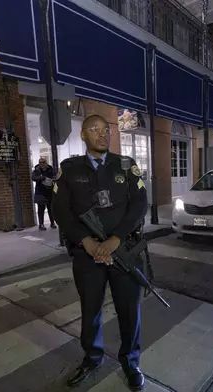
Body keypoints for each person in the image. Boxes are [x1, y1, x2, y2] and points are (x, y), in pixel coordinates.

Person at [52, 115, 148, 391]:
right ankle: (92, 359)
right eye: (94, 130)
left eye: (106, 130)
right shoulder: (69, 169)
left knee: (130, 311)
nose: (102, 134)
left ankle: (131, 362)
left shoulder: (126, 166)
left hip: (124, 253)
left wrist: (116, 239)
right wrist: (87, 242)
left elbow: (139, 204)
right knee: (91, 310)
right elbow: (62, 211)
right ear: (83, 135)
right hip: (87, 255)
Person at [31, 157, 56, 230]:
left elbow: (55, 176)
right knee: (41, 209)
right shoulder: (36, 170)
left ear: (46, 162)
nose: (41, 164)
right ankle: (41, 224)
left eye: (43, 162)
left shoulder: (50, 169)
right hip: (40, 192)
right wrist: (42, 178)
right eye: (40, 162)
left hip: (49, 192)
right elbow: (33, 178)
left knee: (51, 209)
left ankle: (52, 223)